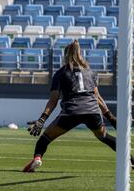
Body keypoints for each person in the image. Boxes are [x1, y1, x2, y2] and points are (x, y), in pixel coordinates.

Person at [22, 40, 132, 172]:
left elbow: (53, 100)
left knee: (44, 139)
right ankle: (131, 160)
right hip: (92, 111)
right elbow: (97, 97)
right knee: (105, 137)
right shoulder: (89, 72)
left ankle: (37, 159)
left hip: (71, 112)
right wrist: (110, 116)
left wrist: (42, 120)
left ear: (65, 56)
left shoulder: (60, 73)